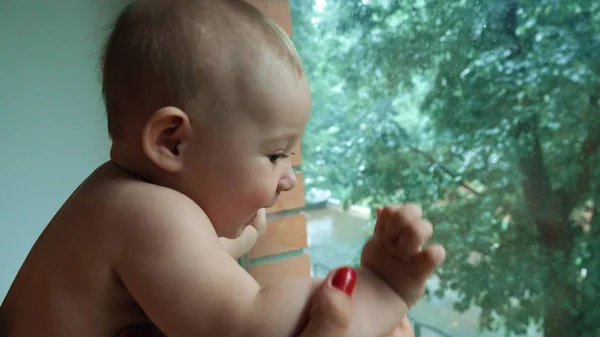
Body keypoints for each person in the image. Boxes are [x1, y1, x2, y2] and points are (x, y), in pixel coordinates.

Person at [0, 1, 445, 336]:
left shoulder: (113, 197)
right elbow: (251, 326)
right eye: (274, 155)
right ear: (172, 141)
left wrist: (245, 232)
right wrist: (382, 288)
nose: (288, 178)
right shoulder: (149, 215)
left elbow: (199, 257)